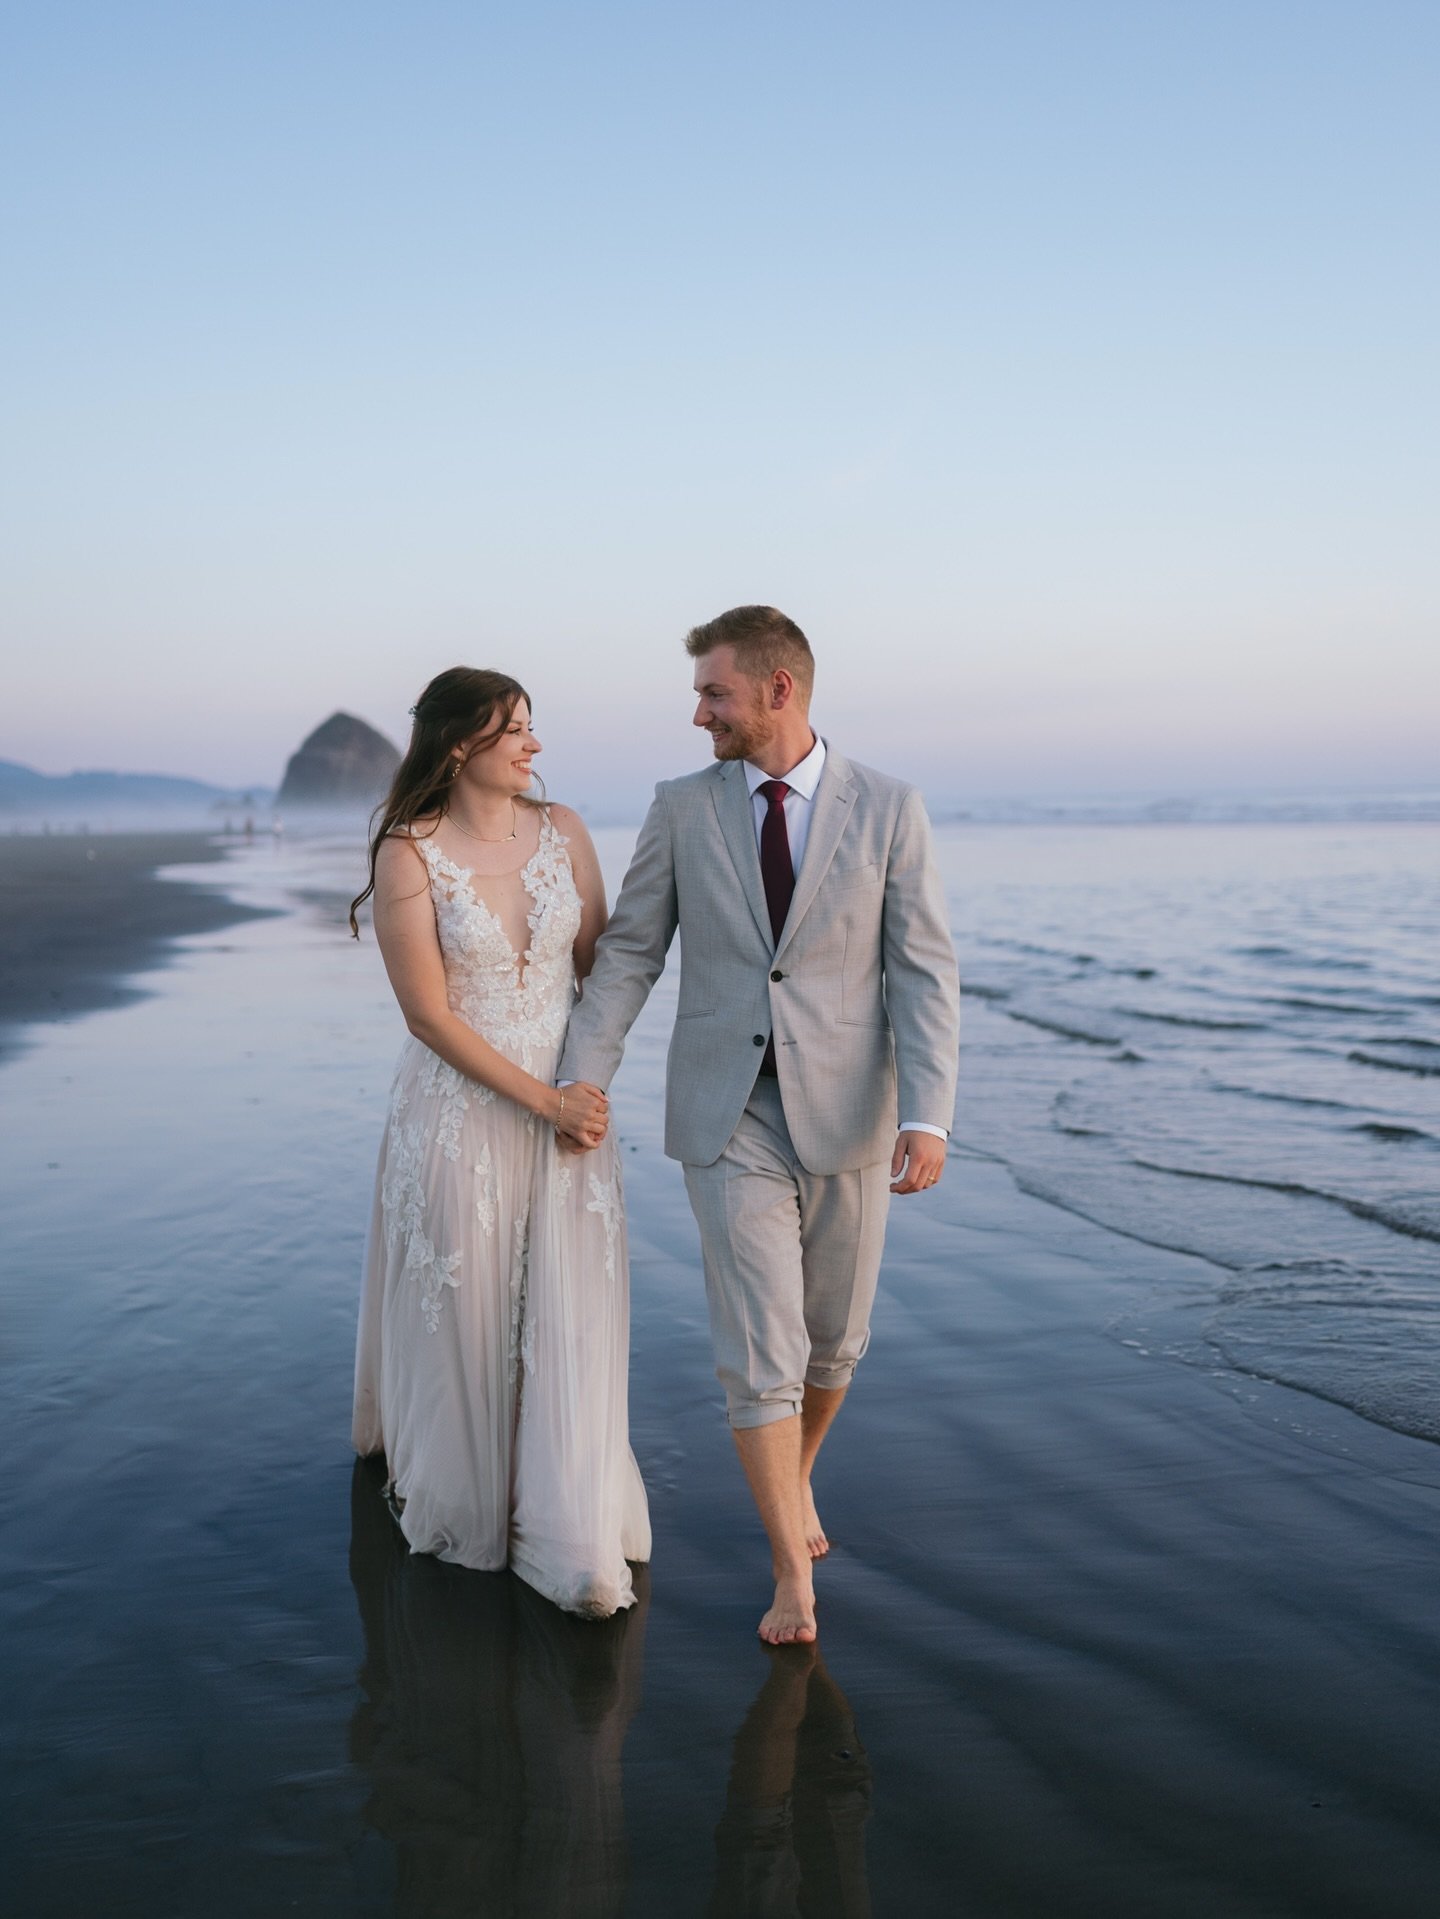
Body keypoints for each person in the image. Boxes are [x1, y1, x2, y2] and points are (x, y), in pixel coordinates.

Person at [558, 606, 960, 1645]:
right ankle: (792, 1569)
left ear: (779, 689)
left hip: (852, 1112)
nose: (698, 714)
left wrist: (929, 1112)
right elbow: (633, 951)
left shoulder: (890, 807)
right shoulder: (681, 808)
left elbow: (922, 970)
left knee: (836, 1343)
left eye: (714, 693)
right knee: (761, 1350)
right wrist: (577, 1081)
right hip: (725, 1111)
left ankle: (797, 1474)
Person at [349, 667, 650, 1618]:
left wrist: (587, 1090)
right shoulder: (411, 853)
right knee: (471, 1305)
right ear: (457, 747)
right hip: (464, 1110)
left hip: (572, 1106)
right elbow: (429, 1017)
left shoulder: (565, 832)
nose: (533, 744)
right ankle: (471, 1500)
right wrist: (544, 1101)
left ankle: (567, 1510)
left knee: (566, 1302)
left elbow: (602, 969)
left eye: (531, 726)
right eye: (512, 730)